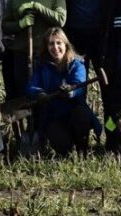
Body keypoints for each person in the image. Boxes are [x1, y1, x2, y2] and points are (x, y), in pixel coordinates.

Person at [2, 0, 67, 98]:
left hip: (46, 54)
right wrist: (21, 24)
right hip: (21, 55)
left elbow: (60, 20)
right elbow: (5, 26)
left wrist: (37, 7)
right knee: (24, 96)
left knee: (46, 97)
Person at [26, 28, 97, 156]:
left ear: (66, 44)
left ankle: (82, 150)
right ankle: (66, 149)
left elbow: (79, 85)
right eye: (51, 43)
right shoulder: (42, 65)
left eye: (59, 43)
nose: (55, 47)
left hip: (74, 111)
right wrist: (40, 93)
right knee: (61, 145)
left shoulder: (77, 64)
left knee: (82, 114)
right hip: (54, 114)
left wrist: (70, 91)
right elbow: (31, 85)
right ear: (46, 46)